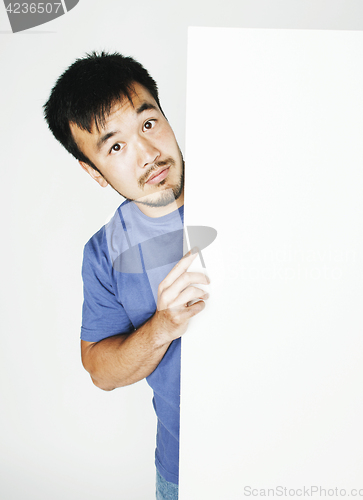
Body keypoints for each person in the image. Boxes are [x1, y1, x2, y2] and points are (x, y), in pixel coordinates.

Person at [43, 51, 209, 500]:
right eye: (116, 147)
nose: (149, 155)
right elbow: (101, 370)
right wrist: (163, 327)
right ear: (93, 172)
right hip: (187, 470)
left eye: (149, 124)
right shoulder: (103, 254)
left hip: (304, 443)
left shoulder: (258, 187)